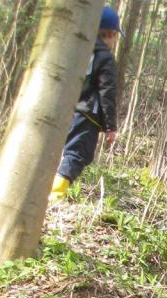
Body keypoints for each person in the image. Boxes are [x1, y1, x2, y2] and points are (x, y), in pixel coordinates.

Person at [50, 6, 121, 201]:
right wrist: (110, 127)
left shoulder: (78, 50)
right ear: (108, 34)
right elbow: (107, 93)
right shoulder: (105, 59)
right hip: (88, 115)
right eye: (115, 36)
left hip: (66, 110)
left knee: (61, 152)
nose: (115, 42)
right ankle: (54, 197)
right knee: (77, 155)